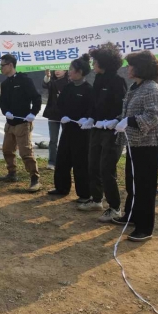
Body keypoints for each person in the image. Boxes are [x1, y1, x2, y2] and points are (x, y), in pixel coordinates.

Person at [111, 51, 158, 242]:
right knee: (132, 182)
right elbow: (128, 111)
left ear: (141, 67)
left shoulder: (152, 88)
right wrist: (116, 120)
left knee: (145, 187)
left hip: (149, 144)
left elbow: (153, 116)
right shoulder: (136, 86)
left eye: (131, 65)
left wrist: (129, 121)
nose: (128, 68)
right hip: (135, 143)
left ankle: (145, 227)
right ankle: (132, 215)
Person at [79, 43, 127, 222]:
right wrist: (91, 118)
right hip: (97, 129)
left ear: (104, 62)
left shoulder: (117, 81)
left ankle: (115, 207)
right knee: (93, 165)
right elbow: (95, 103)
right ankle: (96, 199)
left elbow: (122, 107)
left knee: (107, 169)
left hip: (111, 131)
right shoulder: (98, 79)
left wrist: (114, 120)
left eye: (96, 61)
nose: (93, 65)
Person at [47, 55, 92, 202]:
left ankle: (84, 193)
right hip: (67, 129)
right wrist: (63, 116)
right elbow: (60, 105)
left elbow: (92, 109)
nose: (69, 72)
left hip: (82, 132)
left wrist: (86, 118)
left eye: (71, 69)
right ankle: (61, 188)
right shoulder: (68, 87)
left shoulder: (88, 89)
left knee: (81, 162)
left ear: (80, 72)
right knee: (63, 159)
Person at [0, 53, 43, 192]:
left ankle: (35, 178)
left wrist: (33, 113)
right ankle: (12, 173)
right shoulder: (5, 84)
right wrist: (6, 112)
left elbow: (36, 98)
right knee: (7, 149)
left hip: (23, 123)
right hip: (10, 123)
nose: (0, 68)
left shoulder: (24, 80)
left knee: (26, 152)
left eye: (2, 65)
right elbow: (2, 102)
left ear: (10, 65)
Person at [42, 68, 69, 169]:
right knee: (53, 140)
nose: (57, 71)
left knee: (66, 139)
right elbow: (45, 85)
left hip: (66, 115)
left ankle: (65, 161)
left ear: (65, 71)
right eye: (56, 69)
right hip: (53, 114)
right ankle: (52, 162)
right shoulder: (52, 81)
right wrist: (47, 76)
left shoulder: (69, 82)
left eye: (60, 69)